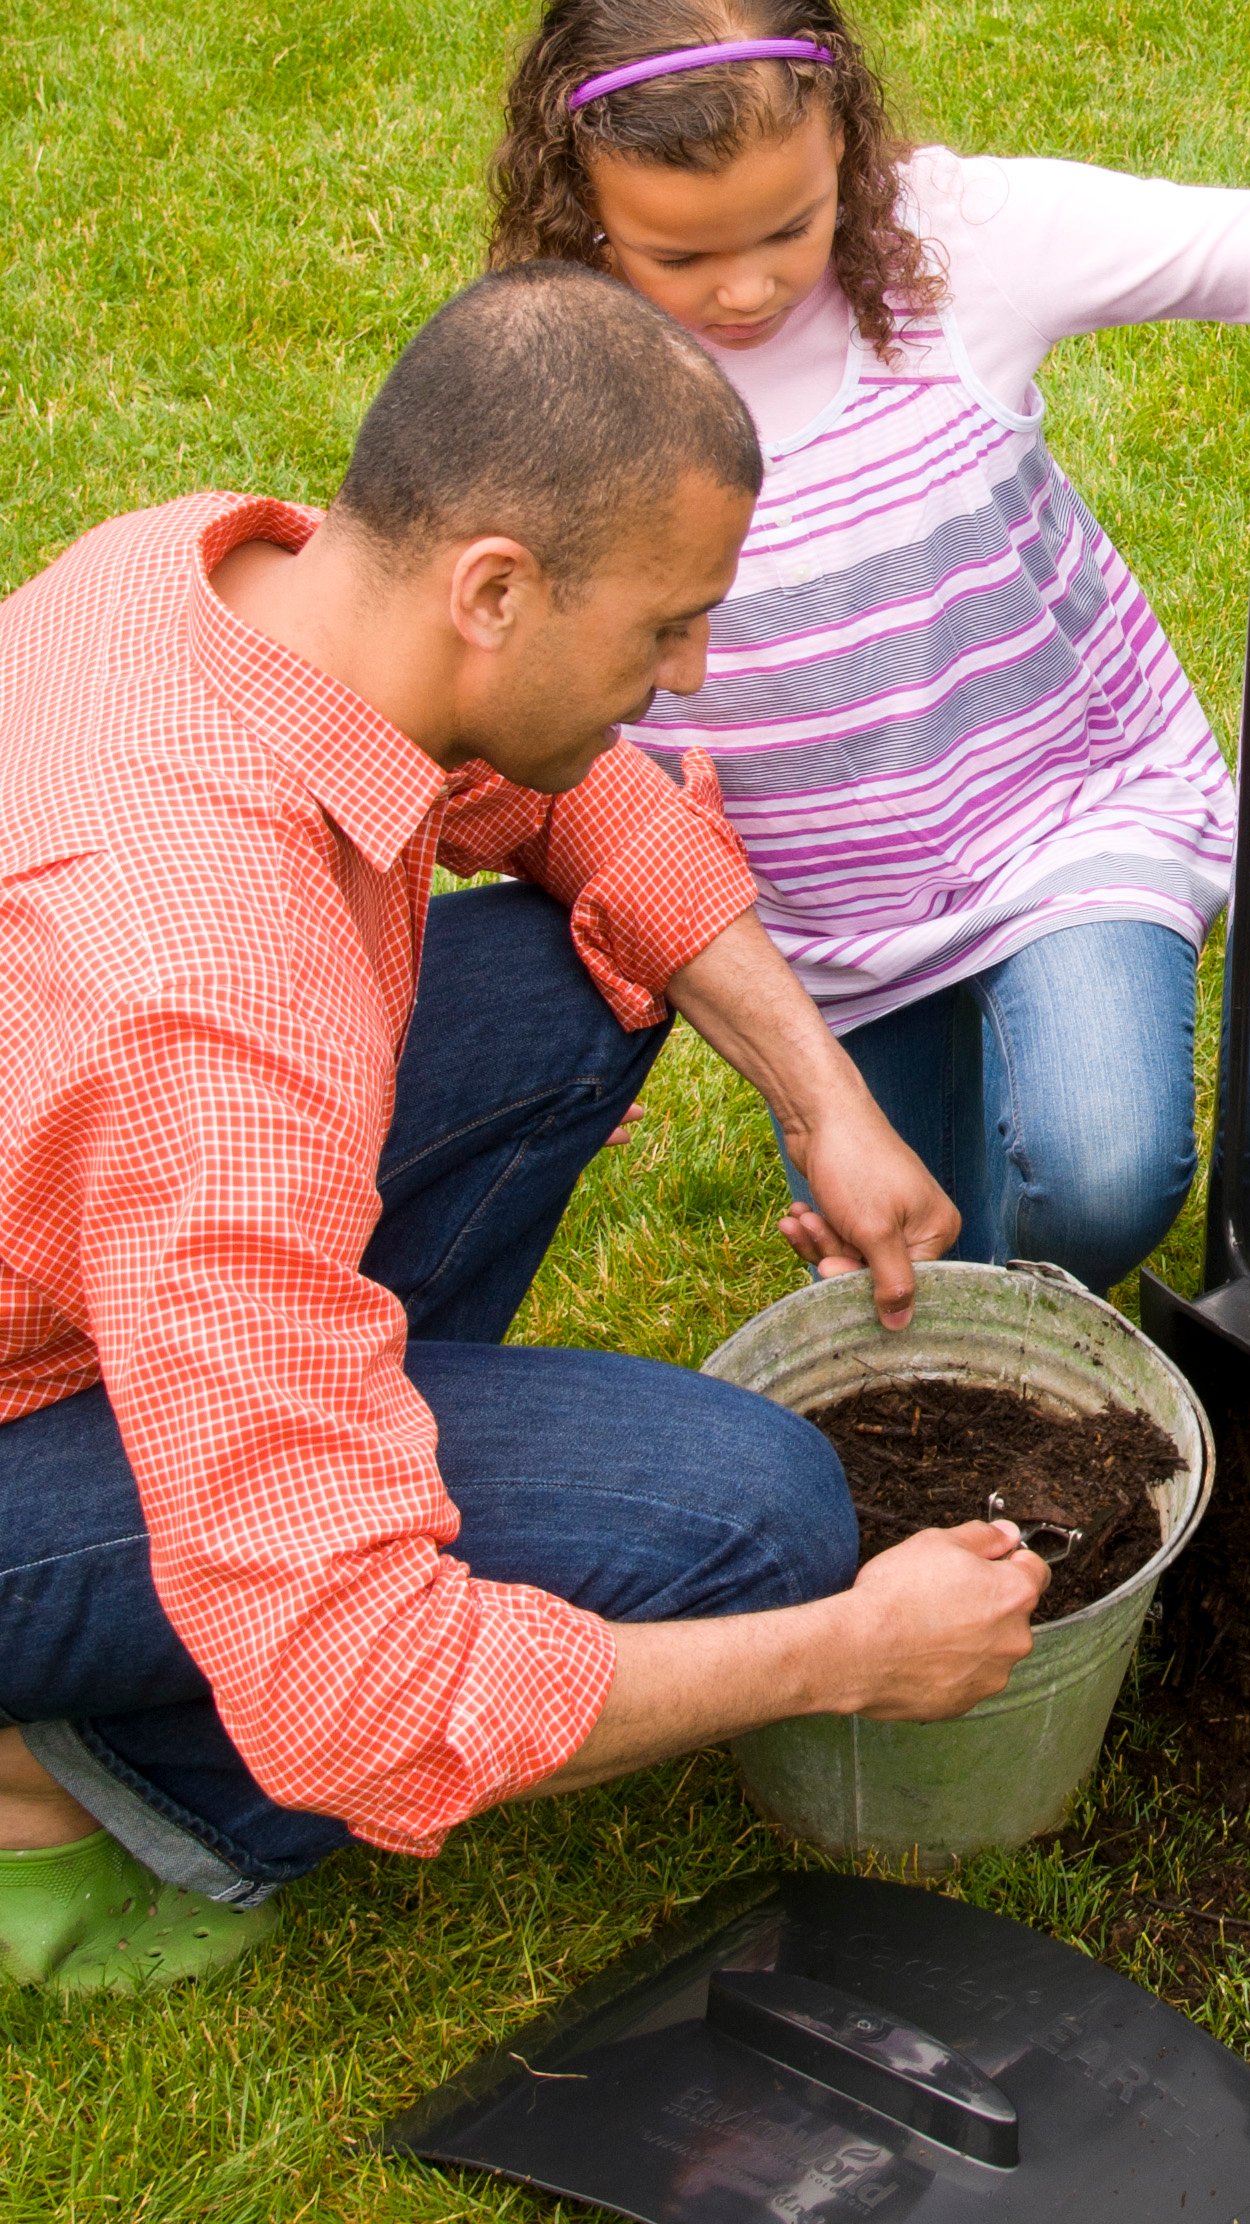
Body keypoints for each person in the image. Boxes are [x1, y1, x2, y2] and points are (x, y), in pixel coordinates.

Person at [0, 263, 1050, 1993]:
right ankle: (69, 1774)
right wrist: (846, 1652)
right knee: (754, 1517)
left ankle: (302, 1438)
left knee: (576, 984)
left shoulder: (221, 580)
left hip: (97, 1224)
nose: (695, 674)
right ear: (494, 586)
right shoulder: (219, 1007)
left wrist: (828, 1099)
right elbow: (359, 1693)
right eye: (663, 629)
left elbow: (578, 810)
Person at [488, 0, 1250, 1293]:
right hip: (815, 920)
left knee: (1104, 1171)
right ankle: (982, 1335)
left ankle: (1014, 1309)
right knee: (910, 1246)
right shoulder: (550, 371)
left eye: (791, 225)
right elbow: (527, 708)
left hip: (1059, 814)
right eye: (679, 254)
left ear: (847, 145)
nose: (748, 284)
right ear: (581, 210)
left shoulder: (946, 247)